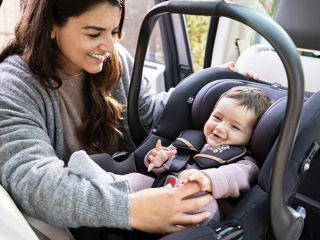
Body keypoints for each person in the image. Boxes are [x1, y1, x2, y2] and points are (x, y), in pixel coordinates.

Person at [0, 0, 213, 238]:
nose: (110, 47)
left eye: (114, 32)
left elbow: (149, 116)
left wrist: (210, 85)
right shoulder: (12, 86)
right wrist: (132, 208)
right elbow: (35, 182)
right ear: (50, 25)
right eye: (94, 34)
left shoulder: (115, 61)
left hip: (126, 191)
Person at [127, 86, 271, 224]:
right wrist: (160, 159)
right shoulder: (191, 140)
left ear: (252, 135)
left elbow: (234, 176)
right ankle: (111, 195)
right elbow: (164, 167)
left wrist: (208, 179)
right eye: (217, 118)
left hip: (202, 207)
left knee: (203, 204)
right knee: (134, 179)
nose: (219, 127)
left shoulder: (245, 162)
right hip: (164, 190)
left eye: (235, 127)